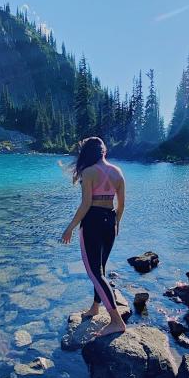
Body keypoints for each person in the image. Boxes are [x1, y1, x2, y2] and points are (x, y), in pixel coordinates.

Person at [60, 137, 126, 336]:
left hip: (92, 222)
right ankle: (96, 307)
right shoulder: (118, 172)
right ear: (104, 152)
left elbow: (86, 204)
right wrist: (117, 223)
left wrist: (70, 227)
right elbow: (121, 205)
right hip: (110, 221)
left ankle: (116, 321)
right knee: (101, 269)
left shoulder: (89, 173)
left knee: (94, 272)